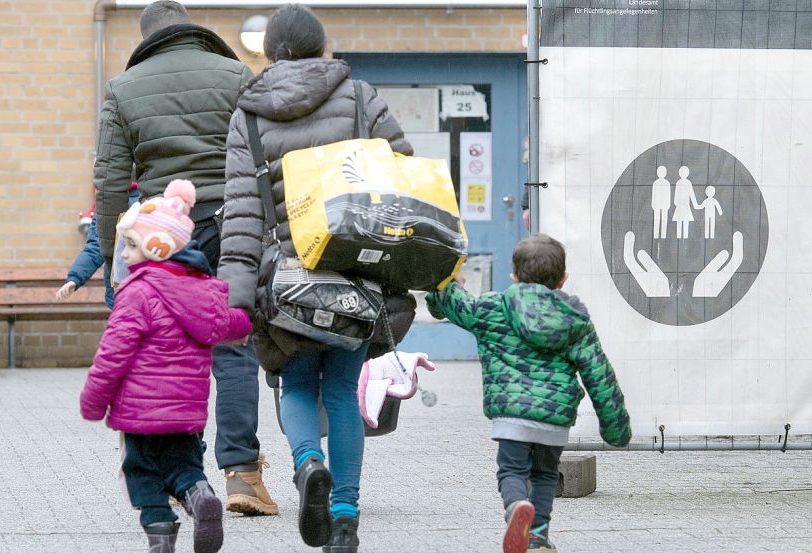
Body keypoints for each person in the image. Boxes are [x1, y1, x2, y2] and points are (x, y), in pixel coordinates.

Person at [216, 5, 412, 552]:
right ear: (323, 46)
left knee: (297, 383)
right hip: (355, 272)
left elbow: (241, 214)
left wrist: (235, 297)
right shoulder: (360, 96)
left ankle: (307, 468)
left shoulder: (248, 116)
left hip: (285, 281)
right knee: (345, 392)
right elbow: (403, 172)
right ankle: (345, 517)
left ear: (267, 52)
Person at [92, 0, 278, 515]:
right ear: (193, 30)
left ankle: (184, 476)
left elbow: (109, 181)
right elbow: (265, 156)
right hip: (234, 223)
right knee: (235, 345)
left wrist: (114, 254)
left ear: (146, 38)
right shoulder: (235, 73)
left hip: (162, 233)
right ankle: (242, 474)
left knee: (165, 350)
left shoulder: (122, 89)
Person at [425, 234, 631, 553]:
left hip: (511, 417)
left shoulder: (493, 307)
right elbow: (599, 374)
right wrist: (616, 429)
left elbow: (456, 305)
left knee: (512, 471)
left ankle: (515, 507)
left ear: (514, 276)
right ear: (563, 279)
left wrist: (448, 284)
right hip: (554, 421)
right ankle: (537, 536)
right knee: (545, 475)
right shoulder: (574, 321)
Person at [79, 180, 252, 553]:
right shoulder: (203, 290)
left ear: (156, 248)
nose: (123, 255)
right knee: (184, 467)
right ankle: (199, 494)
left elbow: (113, 353)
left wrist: (93, 401)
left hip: (138, 414)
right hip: (186, 415)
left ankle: (160, 537)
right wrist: (247, 323)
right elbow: (229, 323)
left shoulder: (136, 293)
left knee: (141, 473)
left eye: (130, 245)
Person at [57, 183, 140, 309]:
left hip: (144, 291)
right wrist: (74, 278)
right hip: (120, 295)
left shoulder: (151, 200)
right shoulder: (107, 203)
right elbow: (95, 247)